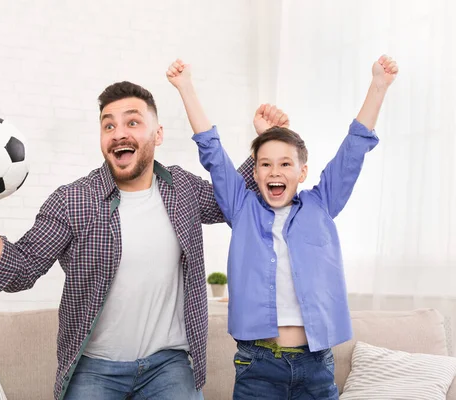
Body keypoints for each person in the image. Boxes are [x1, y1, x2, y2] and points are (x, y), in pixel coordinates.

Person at [0, 81, 289, 399]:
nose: (118, 133)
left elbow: (232, 199)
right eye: (109, 125)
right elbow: (19, 271)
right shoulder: (72, 200)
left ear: (158, 134)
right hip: (95, 369)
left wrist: (266, 142)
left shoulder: (181, 188)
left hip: (170, 366)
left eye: (132, 122)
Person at [166, 55, 398, 399]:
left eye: (285, 163)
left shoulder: (322, 205)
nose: (275, 171)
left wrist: (378, 86)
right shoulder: (242, 208)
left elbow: (353, 151)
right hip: (257, 364)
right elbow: (212, 151)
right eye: (265, 164)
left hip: (316, 365)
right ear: (255, 173)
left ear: (301, 172)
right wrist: (185, 87)